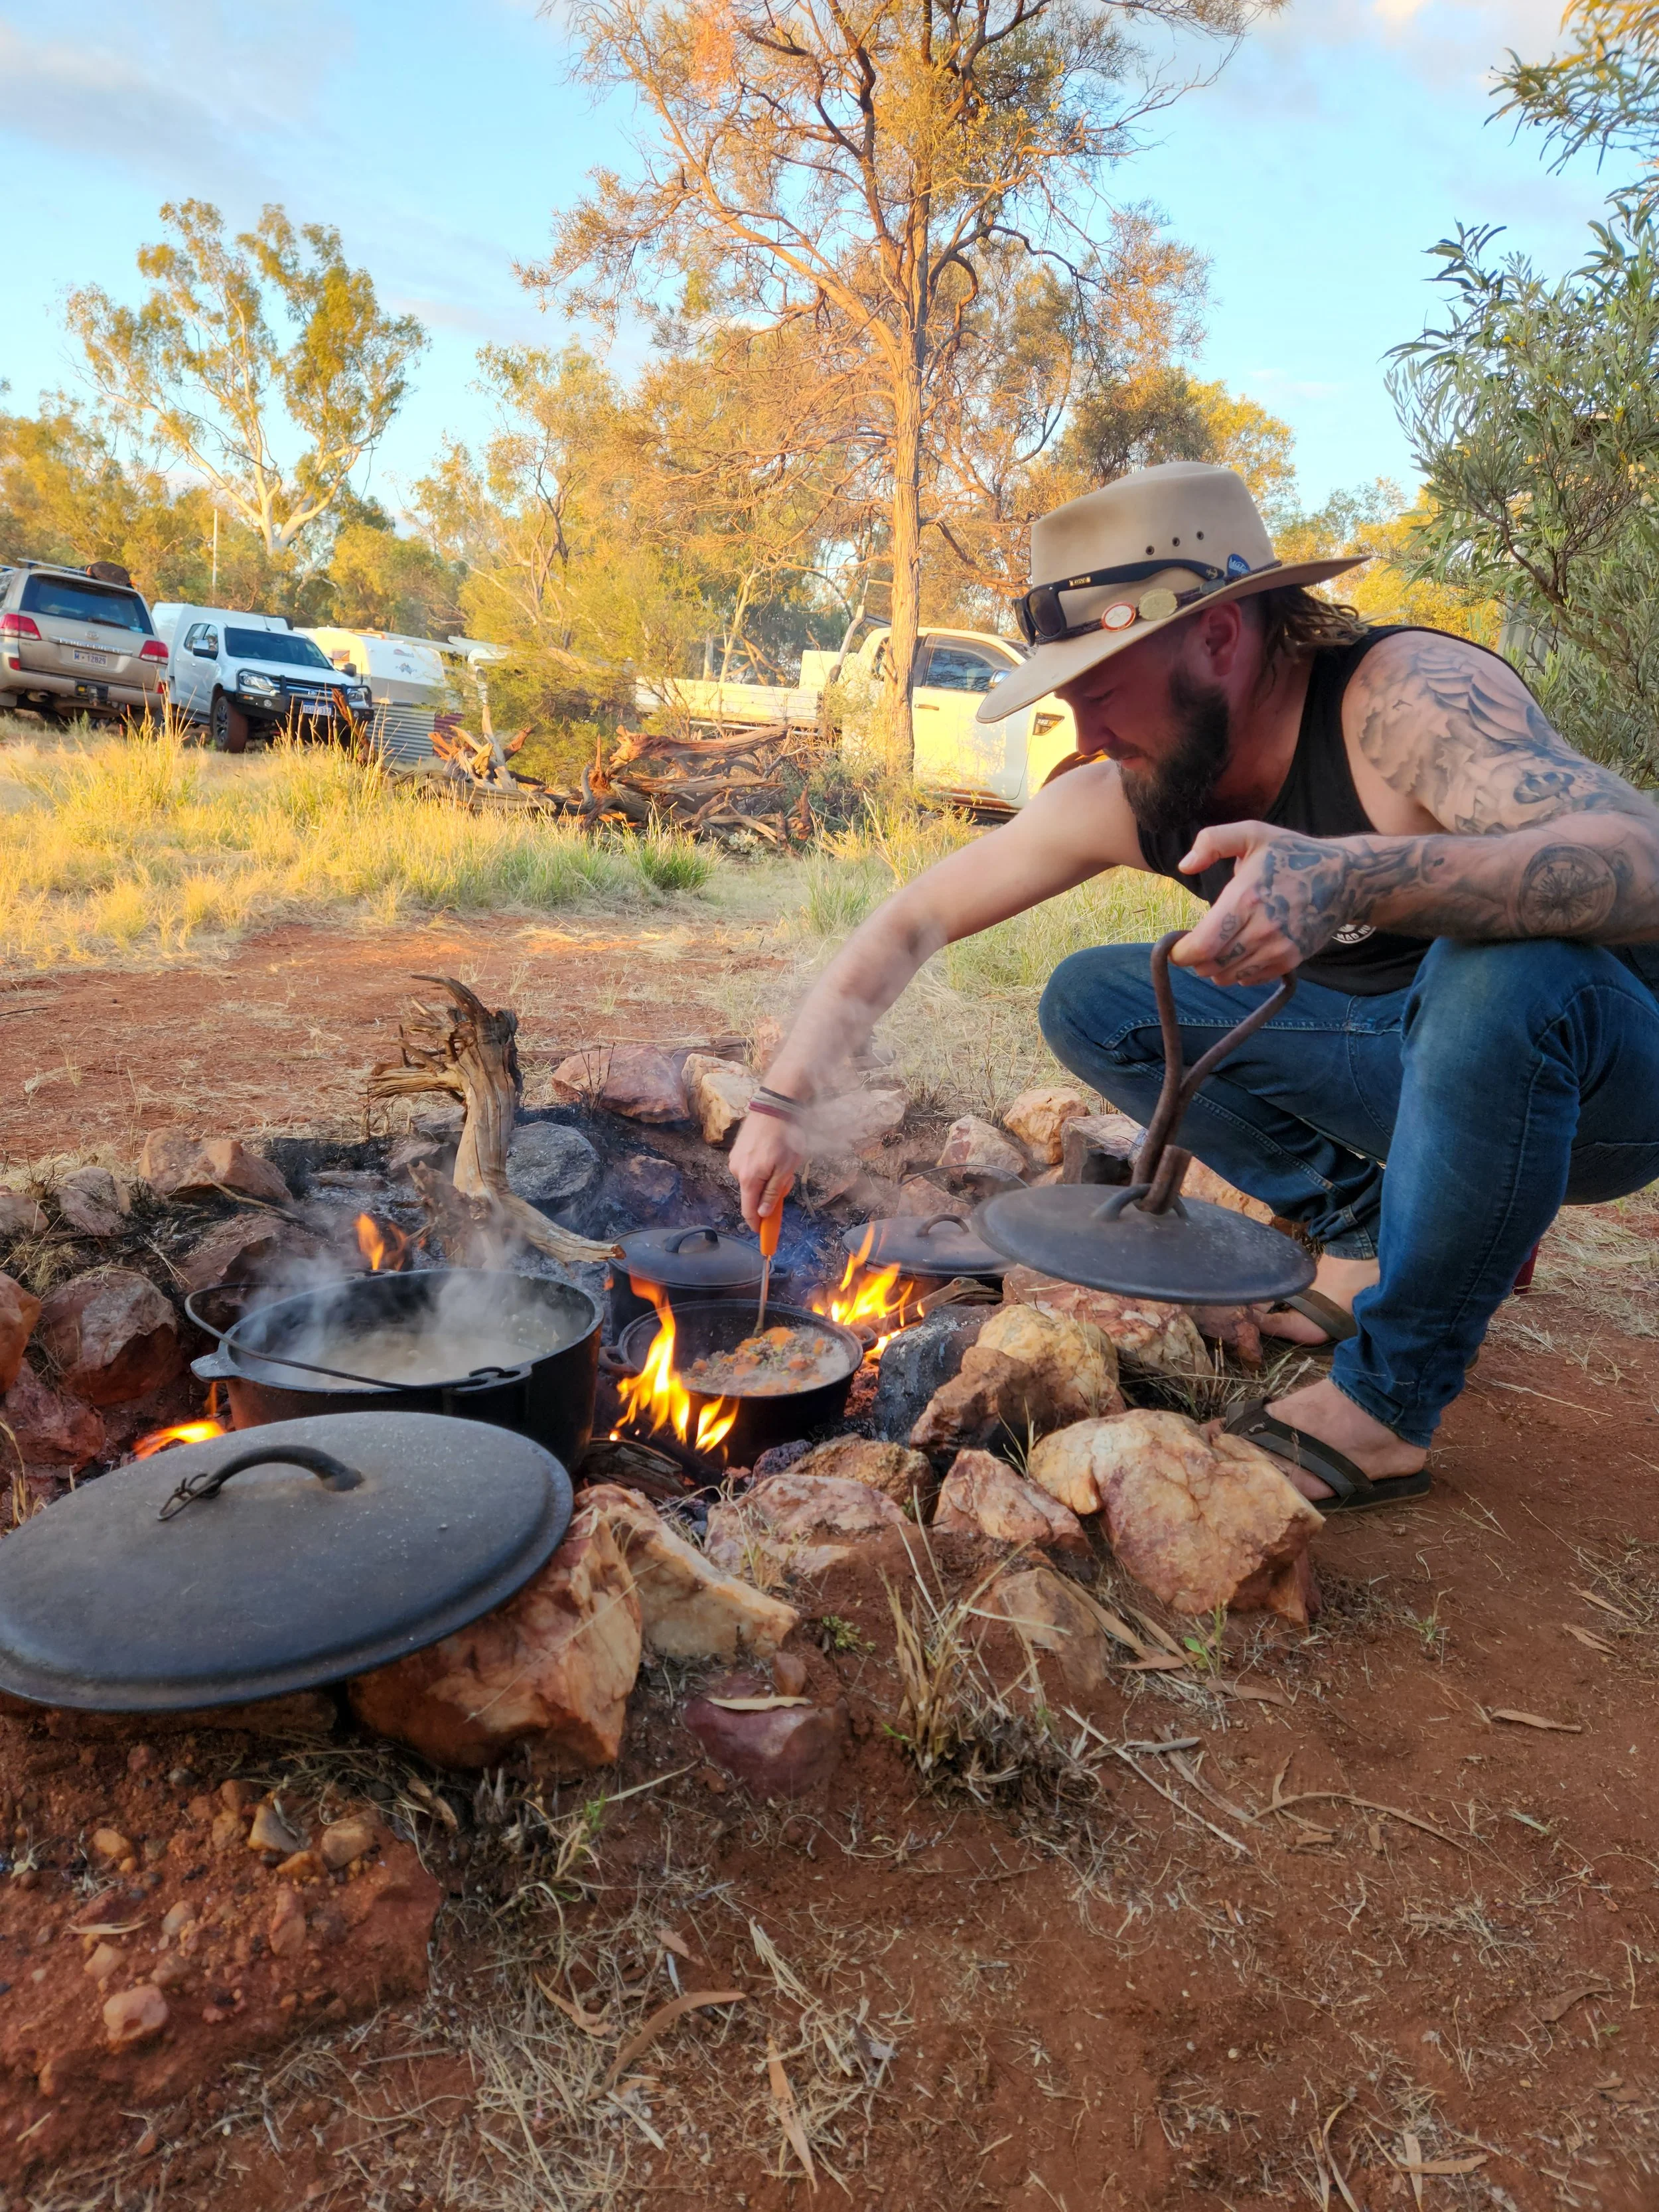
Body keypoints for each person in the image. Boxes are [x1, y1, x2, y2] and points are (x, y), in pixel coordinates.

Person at [730, 461, 1659, 1509]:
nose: (1083, 736)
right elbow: (916, 917)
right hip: (1400, 1056)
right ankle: (1365, 1231)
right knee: (1096, 997)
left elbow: (1646, 859)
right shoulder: (1141, 781)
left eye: (1100, 689)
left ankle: (1393, 1400)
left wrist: (1358, 874)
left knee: (1500, 975)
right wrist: (781, 1100)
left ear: (1219, 638)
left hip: (1590, 1082)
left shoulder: (1404, 702)